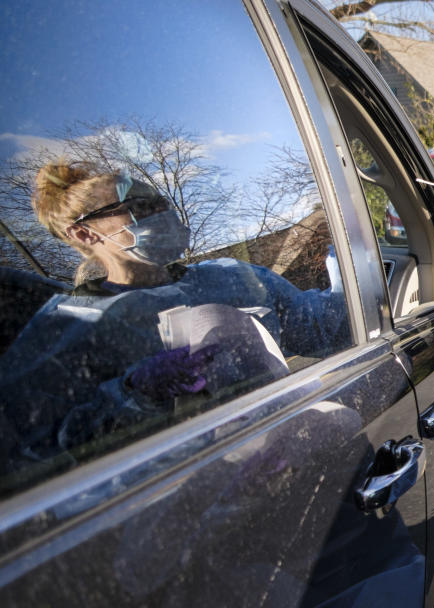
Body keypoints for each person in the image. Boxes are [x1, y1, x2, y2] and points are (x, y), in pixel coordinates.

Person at [0, 161, 348, 477]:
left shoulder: (233, 278)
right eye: (139, 209)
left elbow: (323, 329)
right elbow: (45, 454)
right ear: (85, 234)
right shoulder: (68, 330)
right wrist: (134, 394)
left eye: (160, 203)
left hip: (300, 462)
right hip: (182, 511)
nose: (161, 214)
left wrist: (351, 270)